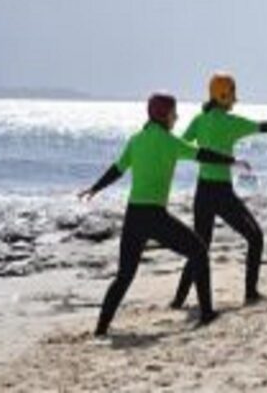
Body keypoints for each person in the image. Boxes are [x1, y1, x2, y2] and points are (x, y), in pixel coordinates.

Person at [78, 93, 251, 336]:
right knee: (199, 251)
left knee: (124, 275)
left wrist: (94, 188)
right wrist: (233, 161)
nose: (176, 117)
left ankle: (100, 329)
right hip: (155, 216)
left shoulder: (136, 140)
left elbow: (117, 170)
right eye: (173, 113)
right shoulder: (170, 142)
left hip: (133, 216)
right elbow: (203, 155)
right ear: (163, 115)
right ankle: (207, 313)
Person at [171, 73, 267, 309]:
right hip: (222, 193)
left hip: (202, 192)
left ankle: (178, 301)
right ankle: (251, 293)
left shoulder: (199, 119)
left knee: (199, 247)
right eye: (232, 95)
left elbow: (179, 147)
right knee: (255, 237)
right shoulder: (232, 122)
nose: (235, 100)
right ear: (223, 95)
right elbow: (264, 127)